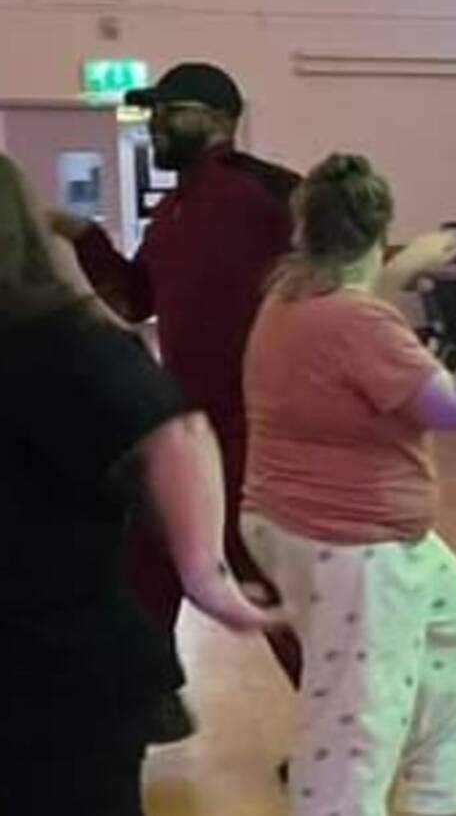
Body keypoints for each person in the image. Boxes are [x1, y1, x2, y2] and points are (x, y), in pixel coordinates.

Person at [241, 153, 456, 816]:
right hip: (349, 544)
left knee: (455, 629)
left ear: (305, 230)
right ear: (380, 231)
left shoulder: (293, 299)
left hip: (301, 525)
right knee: (354, 718)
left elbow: (358, 299)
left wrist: (408, 264)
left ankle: (446, 801)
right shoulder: (356, 322)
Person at [0, 153, 281, 815]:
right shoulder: (75, 328)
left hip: (56, 667)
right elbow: (138, 299)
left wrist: (205, 571)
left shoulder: (57, 342)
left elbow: (174, 433)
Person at [48, 61, 305, 732]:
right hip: (185, 424)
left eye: (171, 110)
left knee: (264, 583)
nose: (156, 123)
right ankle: (145, 705)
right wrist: (86, 237)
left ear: (219, 120)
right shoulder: (172, 207)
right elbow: (137, 301)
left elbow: (334, 263)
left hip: (252, 427)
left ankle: (338, 725)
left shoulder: (265, 193)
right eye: (152, 113)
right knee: (144, 565)